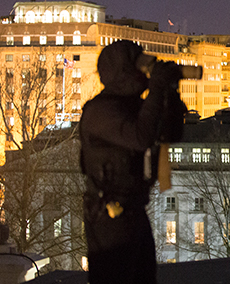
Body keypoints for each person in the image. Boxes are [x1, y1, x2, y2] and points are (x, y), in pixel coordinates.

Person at [80, 40, 186, 284]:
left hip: (133, 209)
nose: (144, 72)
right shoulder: (100, 111)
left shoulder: (133, 106)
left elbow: (170, 135)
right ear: (123, 71)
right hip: (109, 216)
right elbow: (141, 137)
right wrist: (157, 88)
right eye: (137, 65)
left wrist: (169, 93)